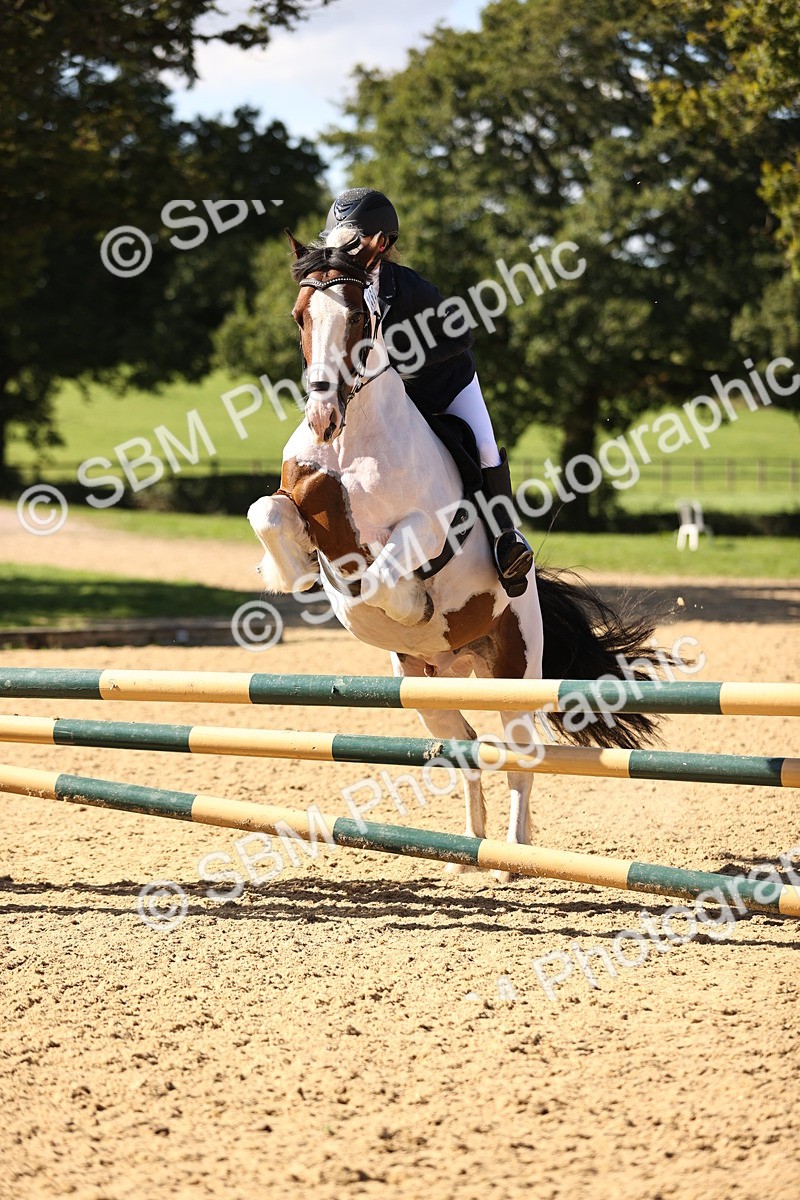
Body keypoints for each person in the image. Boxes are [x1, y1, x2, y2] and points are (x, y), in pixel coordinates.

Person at [321, 187, 534, 596]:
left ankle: (506, 541)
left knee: (485, 451)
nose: (344, 251)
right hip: (396, 397)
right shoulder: (337, 289)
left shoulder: (412, 288)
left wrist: (400, 360)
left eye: (353, 242)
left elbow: (462, 336)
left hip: (448, 384)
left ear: (381, 244)